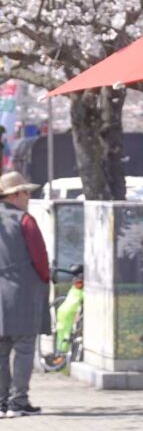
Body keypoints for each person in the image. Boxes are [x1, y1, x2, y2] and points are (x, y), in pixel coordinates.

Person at [0, 171, 51, 417]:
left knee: (1, 348)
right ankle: (18, 402)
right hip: (20, 291)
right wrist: (44, 280)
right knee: (23, 346)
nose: (29, 196)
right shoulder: (24, 220)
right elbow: (40, 258)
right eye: (26, 192)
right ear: (15, 194)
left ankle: (1, 402)